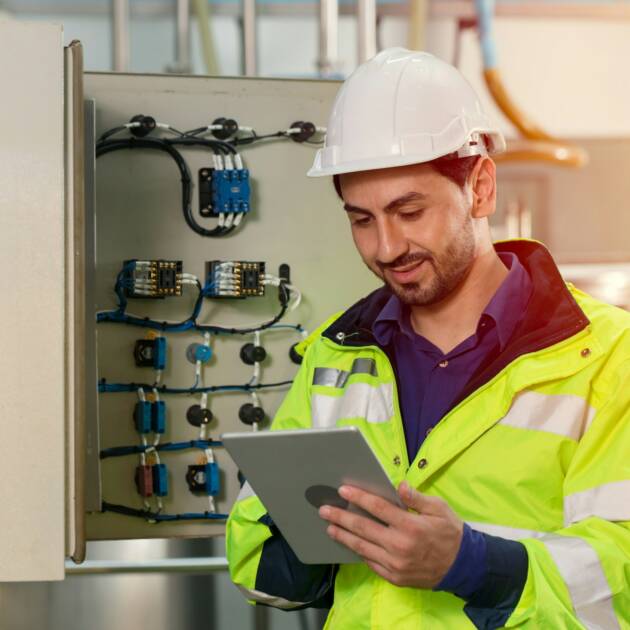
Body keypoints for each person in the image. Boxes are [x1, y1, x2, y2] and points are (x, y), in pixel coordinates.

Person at [226, 48, 630, 629]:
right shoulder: (336, 356)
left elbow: (619, 581)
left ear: (481, 189)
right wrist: (316, 547)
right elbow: (249, 550)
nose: (386, 248)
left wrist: (471, 565)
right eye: (361, 219)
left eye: (409, 211)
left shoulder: (607, 360)